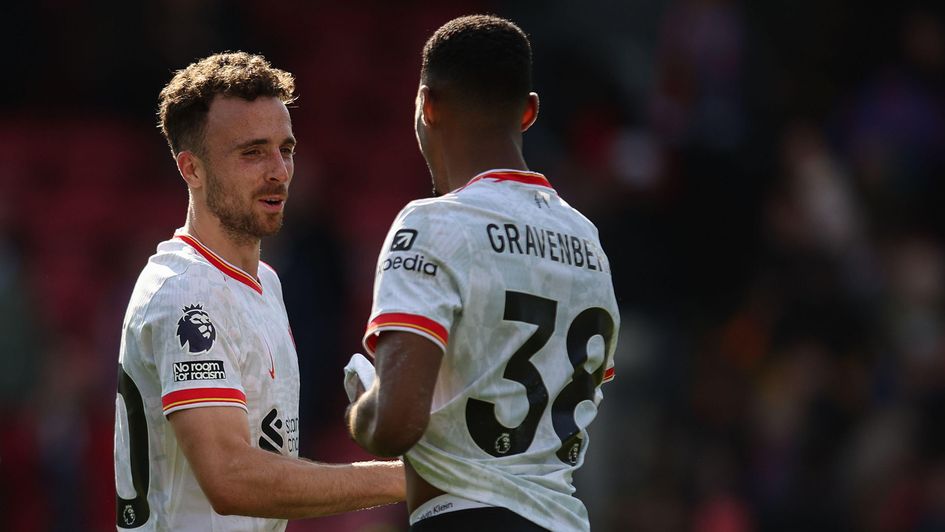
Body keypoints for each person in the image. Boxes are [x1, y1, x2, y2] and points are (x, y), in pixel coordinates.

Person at [345, 15, 620, 532]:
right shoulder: (588, 240)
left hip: (465, 517)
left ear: (426, 104)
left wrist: (364, 402)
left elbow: (395, 425)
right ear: (530, 112)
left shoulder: (432, 224)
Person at [113, 52, 404, 531]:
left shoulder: (264, 282)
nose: (278, 171)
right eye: (252, 153)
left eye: (285, 149)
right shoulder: (185, 293)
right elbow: (231, 479)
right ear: (192, 169)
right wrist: (408, 479)